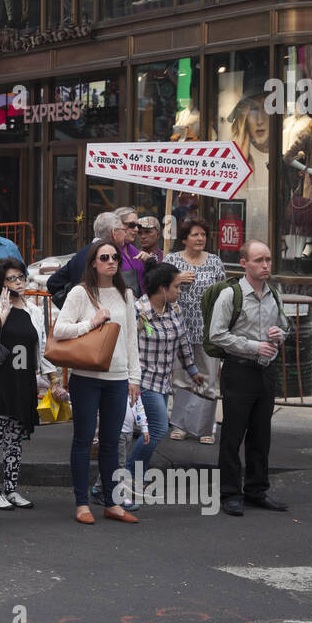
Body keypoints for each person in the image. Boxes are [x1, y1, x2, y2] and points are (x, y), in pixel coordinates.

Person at [55, 238, 142, 524]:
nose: (110, 262)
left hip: (117, 378)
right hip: (86, 377)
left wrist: (134, 377)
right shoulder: (81, 292)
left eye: (114, 257)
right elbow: (60, 329)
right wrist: (91, 323)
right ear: (93, 262)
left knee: (111, 441)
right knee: (82, 440)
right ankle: (82, 503)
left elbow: (131, 338)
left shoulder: (125, 294)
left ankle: (112, 503)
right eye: (104, 257)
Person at [209, 239, 290, 516]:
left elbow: (284, 325)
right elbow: (216, 334)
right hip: (239, 369)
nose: (265, 265)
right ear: (244, 263)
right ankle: (230, 492)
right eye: (259, 260)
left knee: (261, 434)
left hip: (265, 371)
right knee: (233, 433)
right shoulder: (231, 295)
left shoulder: (273, 293)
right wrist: (254, 346)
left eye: (268, 259)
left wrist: (280, 334)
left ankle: (257, 490)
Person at [0, 257, 58, 510]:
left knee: (14, 439)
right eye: (11, 279)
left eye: (21, 277)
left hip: (24, 380)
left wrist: (53, 380)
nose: (18, 283)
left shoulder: (34, 310)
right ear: (0, 284)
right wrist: (3, 310)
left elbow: (42, 347)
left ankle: (12, 489)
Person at [123, 262, 205, 492]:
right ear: (162, 288)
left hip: (163, 381)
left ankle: (136, 476)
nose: (179, 291)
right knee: (158, 428)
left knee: (153, 431)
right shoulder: (138, 310)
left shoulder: (174, 310)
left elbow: (183, 342)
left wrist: (193, 370)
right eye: (177, 287)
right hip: (143, 381)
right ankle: (128, 475)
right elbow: (124, 345)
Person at [163, 216, 225, 445]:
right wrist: (176, 279)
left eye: (203, 234)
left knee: (208, 379)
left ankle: (205, 427)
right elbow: (160, 289)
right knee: (181, 379)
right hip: (180, 330)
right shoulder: (171, 260)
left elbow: (224, 294)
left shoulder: (215, 262)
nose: (200, 239)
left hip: (208, 331)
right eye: (195, 235)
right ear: (184, 239)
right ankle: (180, 424)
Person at [48, 211, 129, 303]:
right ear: (114, 233)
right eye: (123, 230)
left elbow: (53, 282)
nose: (125, 234)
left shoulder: (80, 254)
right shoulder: (108, 257)